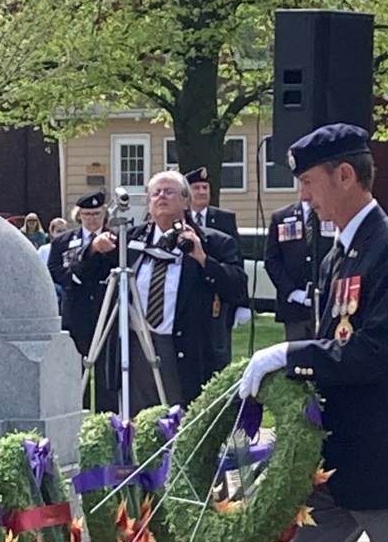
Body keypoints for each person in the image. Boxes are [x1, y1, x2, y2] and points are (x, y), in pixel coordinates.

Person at [238, 123, 388, 542]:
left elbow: (379, 352)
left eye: (309, 182)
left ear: (345, 175)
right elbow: (337, 344)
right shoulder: (340, 253)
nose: (303, 196)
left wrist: (293, 354)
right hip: (337, 468)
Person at [77, 172, 247, 417]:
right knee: (135, 421)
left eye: (169, 192)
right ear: (148, 203)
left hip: (183, 348)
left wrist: (202, 259)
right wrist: (93, 249)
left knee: (178, 418)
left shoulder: (213, 242)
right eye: (155, 193)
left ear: (186, 202)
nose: (161, 197)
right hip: (134, 346)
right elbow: (82, 276)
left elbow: (237, 287)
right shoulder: (131, 240)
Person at [47, 192, 117, 413]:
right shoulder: (64, 241)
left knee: (106, 371)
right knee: (75, 368)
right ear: (79, 216)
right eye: (87, 214)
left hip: (106, 309)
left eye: (96, 214)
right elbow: (55, 270)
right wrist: (74, 278)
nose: (92, 219)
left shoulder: (115, 239)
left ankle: (108, 417)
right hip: (76, 311)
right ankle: (77, 412)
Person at [184, 166, 251, 371]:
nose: (203, 192)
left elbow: (235, 260)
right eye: (197, 188)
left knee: (219, 348)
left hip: (219, 293)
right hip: (191, 292)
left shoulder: (224, 219)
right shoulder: (179, 220)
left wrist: (242, 302)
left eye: (205, 187)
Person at [264, 182, 336, 341]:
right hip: (294, 308)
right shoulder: (281, 217)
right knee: (297, 358)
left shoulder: (332, 214)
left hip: (327, 303)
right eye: (303, 183)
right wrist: (292, 292)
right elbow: (272, 260)